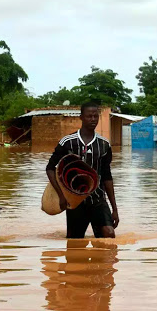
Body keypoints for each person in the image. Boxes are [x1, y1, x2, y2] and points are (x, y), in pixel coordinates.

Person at [46, 102, 119, 239]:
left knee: (109, 235)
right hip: (74, 202)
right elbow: (50, 168)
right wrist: (61, 195)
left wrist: (114, 209)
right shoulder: (67, 142)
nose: (93, 119)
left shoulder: (104, 144)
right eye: (89, 116)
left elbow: (107, 176)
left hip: (98, 200)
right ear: (81, 117)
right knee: (74, 243)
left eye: (95, 116)